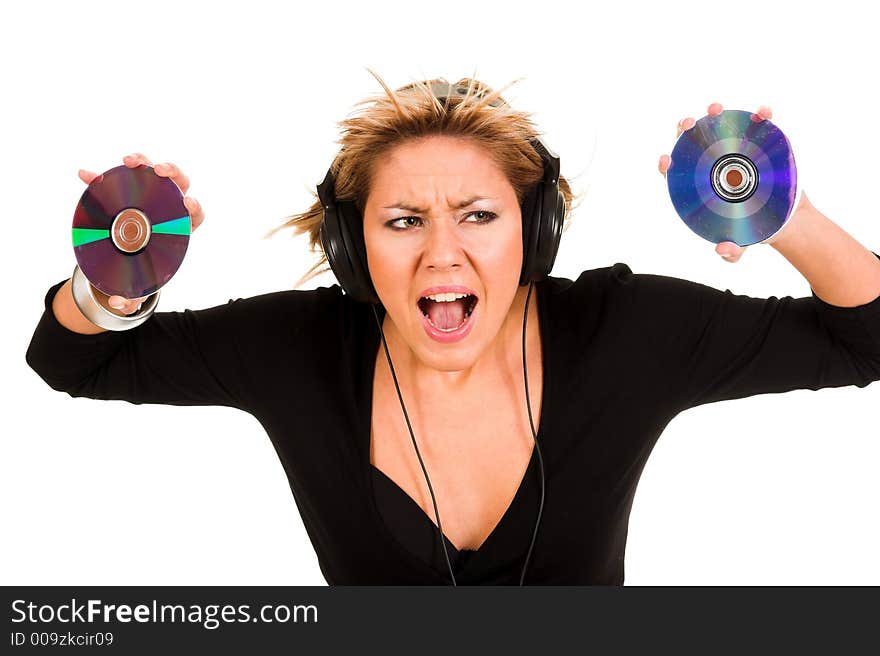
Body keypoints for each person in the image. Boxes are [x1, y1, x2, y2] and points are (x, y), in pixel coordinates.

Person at [25, 74, 880, 586]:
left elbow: (865, 337)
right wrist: (118, 271)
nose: (443, 253)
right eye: (402, 221)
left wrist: (778, 208)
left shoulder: (625, 333)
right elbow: (72, 358)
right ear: (351, 248)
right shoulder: (298, 351)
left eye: (478, 215)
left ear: (535, 231)